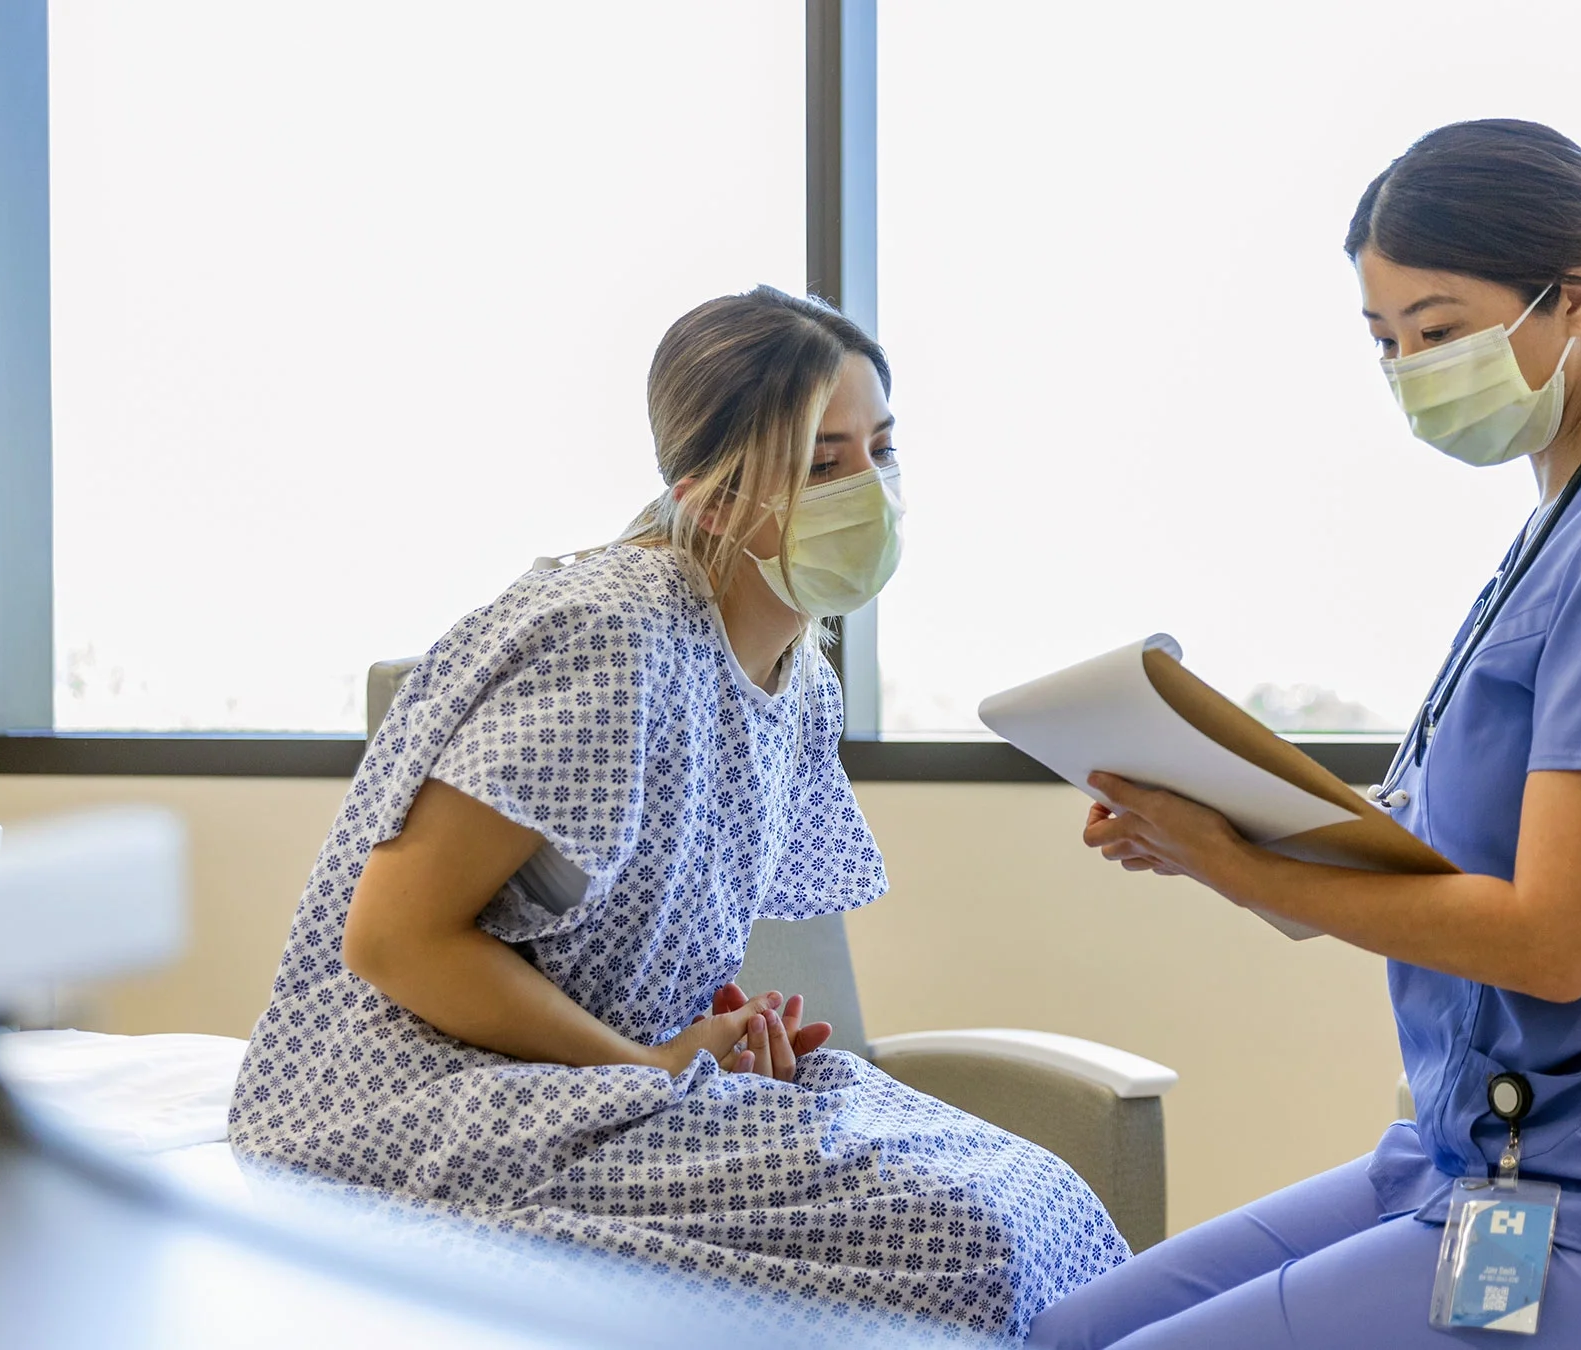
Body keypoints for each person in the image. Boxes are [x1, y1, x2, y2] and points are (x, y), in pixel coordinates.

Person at [1027, 120, 1581, 1349]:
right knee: (1068, 1333)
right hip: (1475, 1164)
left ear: (1574, 296)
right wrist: (1210, 834)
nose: (1409, 367)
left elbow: (1556, 944)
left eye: (1440, 331)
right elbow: (1435, 857)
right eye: (1386, 340)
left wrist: (1250, 865)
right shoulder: (1568, 517)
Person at [229, 285, 1127, 1338]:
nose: (872, 491)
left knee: (1037, 1198)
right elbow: (394, 941)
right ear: (709, 497)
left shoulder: (798, 679)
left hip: (608, 1082)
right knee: (961, 1240)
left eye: (882, 449)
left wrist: (717, 1037)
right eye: (823, 465)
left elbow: (628, 937)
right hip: (411, 1104)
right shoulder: (613, 636)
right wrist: (652, 1064)